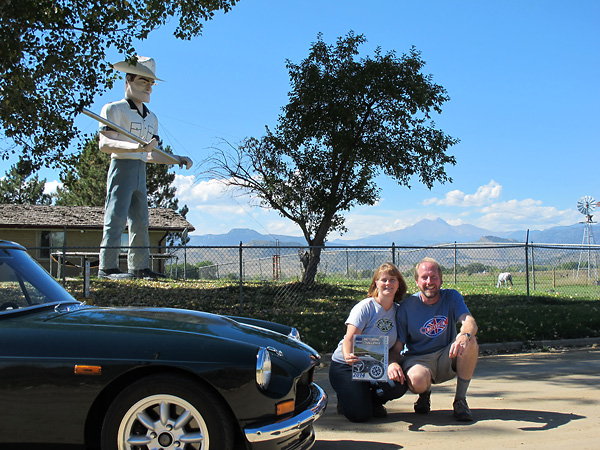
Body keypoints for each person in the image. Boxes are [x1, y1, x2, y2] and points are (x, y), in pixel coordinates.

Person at [97, 56, 193, 281]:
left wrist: (175, 158)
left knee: (140, 221)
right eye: (143, 81)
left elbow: (151, 154)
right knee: (116, 217)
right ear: (128, 80)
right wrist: (135, 145)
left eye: (152, 83)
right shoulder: (113, 109)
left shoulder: (152, 118)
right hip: (121, 167)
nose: (149, 87)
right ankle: (107, 267)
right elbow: (106, 144)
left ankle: (139, 266)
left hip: (140, 170)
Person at [389, 257, 479, 421]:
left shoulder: (452, 297)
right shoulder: (406, 308)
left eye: (434, 277)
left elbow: (469, 321)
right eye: (424, 277)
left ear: (441, 280)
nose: (429, 281)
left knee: (471, 341)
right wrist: (392, 363)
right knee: (417, 380)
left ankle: (460, 401)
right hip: (418, 359)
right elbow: (397, 347)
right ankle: (424, 394)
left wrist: (464, 335)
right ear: (417, 281)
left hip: (446, 354)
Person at [329, 262, 409, 422]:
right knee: (360, 416)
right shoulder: (365, 307)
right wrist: (347, 355)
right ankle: (347, 399)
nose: (388, 283)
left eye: (392, 279)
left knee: (399, 384)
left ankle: (370, 399)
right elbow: (349, 339)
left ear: (399, 284)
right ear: (376, 284)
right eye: (384, 279)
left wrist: (393, 363)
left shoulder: (399, 311)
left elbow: (396, 348)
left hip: (375, 364)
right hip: (347, 366)